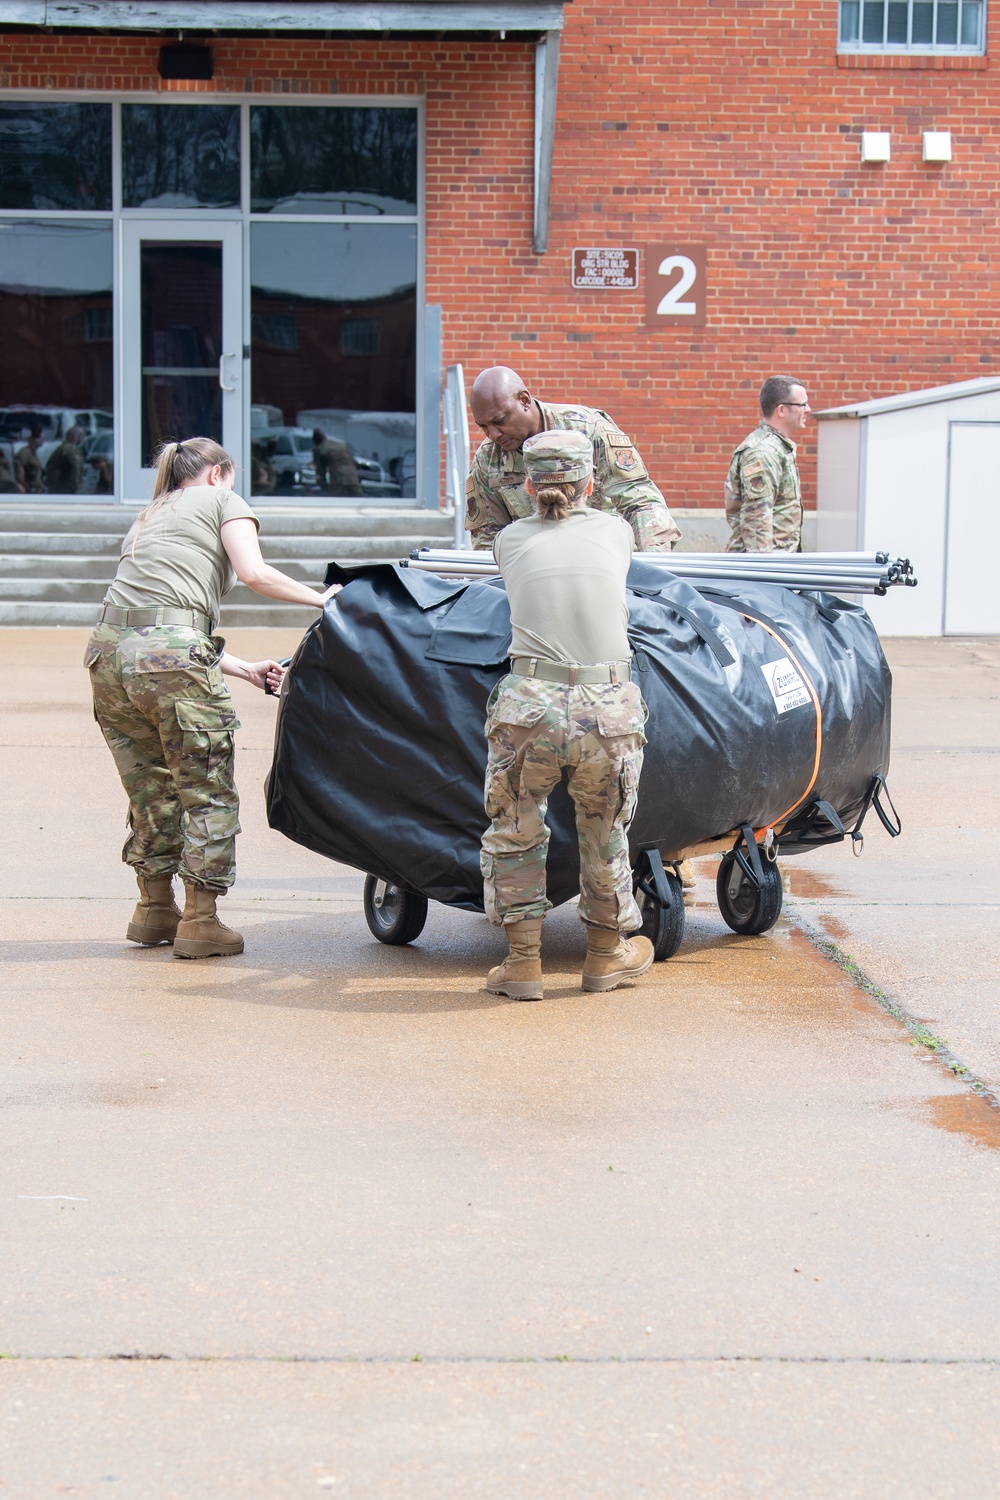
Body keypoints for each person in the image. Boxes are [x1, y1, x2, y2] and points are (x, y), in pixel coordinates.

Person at [84, 436, 339, 960]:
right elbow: (253, 574)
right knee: (206, 789)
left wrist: (243, 669)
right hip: (167, 657)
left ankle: (154, 910)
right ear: (219, 472)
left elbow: (152, 629)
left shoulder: (152, 512)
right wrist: (324, 599)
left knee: (150, 788)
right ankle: (201, 921)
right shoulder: (223, 500)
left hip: (109, 657)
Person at [480, 429, 655, 1002]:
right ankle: (605, 958)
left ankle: (524, 964)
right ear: (590, 484)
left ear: (529, 485)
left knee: (516, 829)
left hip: (530, 704)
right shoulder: (616, 530)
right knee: (605, 834)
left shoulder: (509, 538)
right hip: (606, 708)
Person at [466, 366, 680, 553]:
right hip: (538, 565)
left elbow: (641, 502)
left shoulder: (590, 430)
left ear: (524, 400)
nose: (493, 434)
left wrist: (652, 570)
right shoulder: (488, 459)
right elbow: (488, 537)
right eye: (483, 426)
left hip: (608, 558)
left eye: (500, 421)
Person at [725, 375, 808, 552]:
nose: (808, 409)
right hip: (764, 568)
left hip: (777, 565)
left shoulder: (776, 448)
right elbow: (756, 523)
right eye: (802, 404)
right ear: (782, 410)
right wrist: (765, 572)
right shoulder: (763, 453)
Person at [312, 428, 363, 498]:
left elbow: (320, 471)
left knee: (336, 503)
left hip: (338, 479)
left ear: (315, 441)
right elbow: (354, 463)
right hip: (353, 479)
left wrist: (323, 486)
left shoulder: (320, 449)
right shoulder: (340, 445)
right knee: (356, 500)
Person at [45, 425, 86, 494]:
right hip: (65, 488)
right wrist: (75, 486)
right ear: (76, 436)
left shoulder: (60, 449)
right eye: (82, 435)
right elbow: (76, 467)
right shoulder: (72, 450)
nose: (83, 438)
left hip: (55, 486)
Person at [14, 429, 45, 493]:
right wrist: (23, 487)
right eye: (38, 438)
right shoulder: (25, 453)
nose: (41, 440)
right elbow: (20, 470)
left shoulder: (34, 454)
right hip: (30, 490)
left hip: (38, 489)